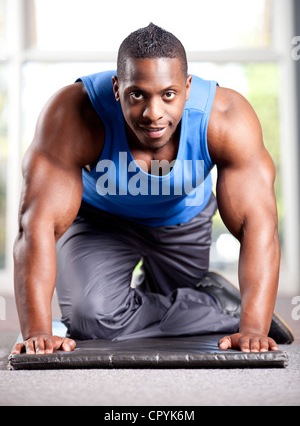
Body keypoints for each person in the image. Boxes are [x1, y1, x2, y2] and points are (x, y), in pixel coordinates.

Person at [12, 23, 293, 356]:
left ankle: (210, 302)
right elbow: (36, 226)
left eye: (168, 95)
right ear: (117, 89)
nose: (153, 113)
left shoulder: (226, 119)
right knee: (92, 319)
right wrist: (39, 332)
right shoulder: (75, 115)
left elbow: (257, 225)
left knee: (171, 321)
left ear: (187, 88)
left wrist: (253, 329)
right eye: (137, 95)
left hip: (183, 221)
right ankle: (216, 308)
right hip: (101, 222)